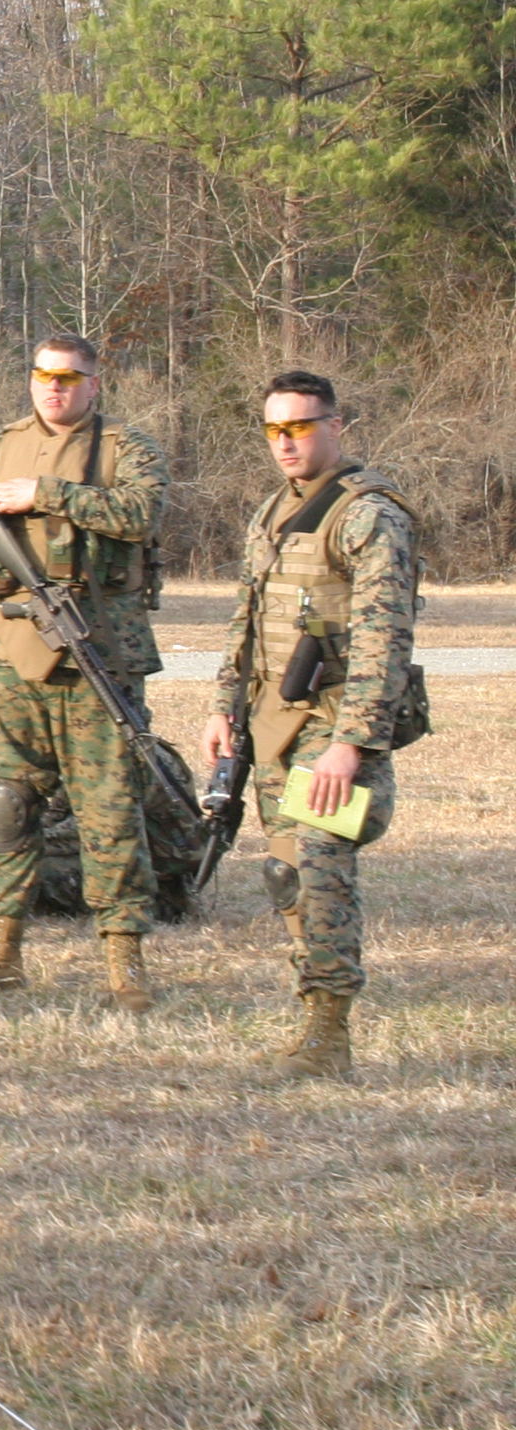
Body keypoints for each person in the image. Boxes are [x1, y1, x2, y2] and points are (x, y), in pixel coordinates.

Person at [0, 334, 170, 1007]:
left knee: (110, 813)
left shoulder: (125, 447)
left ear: (95, 382)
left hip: (99, 656)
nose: (53, 388)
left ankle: (125, 966)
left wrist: (48, 494)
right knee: (8, 804)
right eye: (42, 376)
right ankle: (2, 952)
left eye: (68, 377)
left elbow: (143, 510)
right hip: (10, 655)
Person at [202, 370, 420, 1080]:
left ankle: (331, 1035)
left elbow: (385, 642)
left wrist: (353, 746)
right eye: (274, 429)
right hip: (273, 724)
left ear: (335, 426)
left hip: (333, 728)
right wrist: (223, 706)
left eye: (299, 426)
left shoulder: (369, 515)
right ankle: (313, 1021)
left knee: (322, 859)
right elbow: (248, 617)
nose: (286, 442)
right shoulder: (272, 511)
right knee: (286, 873)